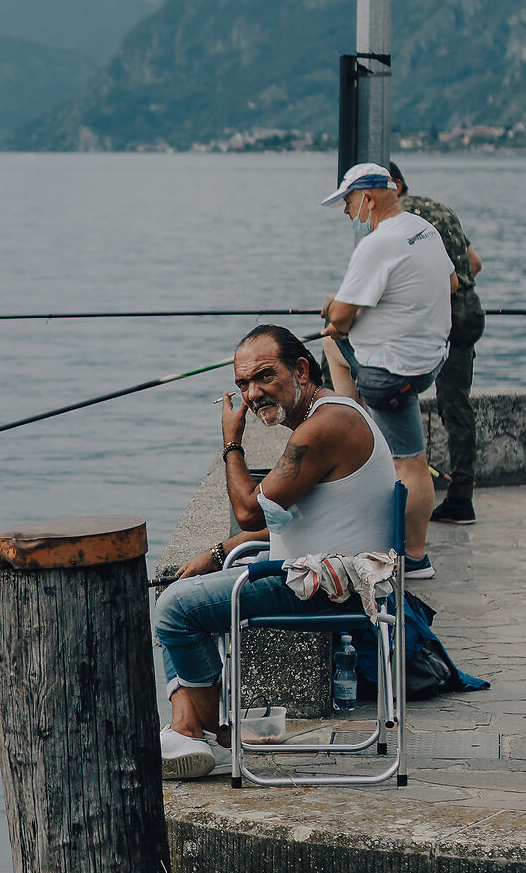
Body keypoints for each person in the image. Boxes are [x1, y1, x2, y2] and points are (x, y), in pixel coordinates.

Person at [156, 324, 399, 778]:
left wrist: (232, 440)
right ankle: (188, 727)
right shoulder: (328, 417)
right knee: (181, 587)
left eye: (264, 376)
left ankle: (207, 729)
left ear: (301, 369)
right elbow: (290, 522)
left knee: (173, 609)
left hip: (327, 585)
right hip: (313, 570)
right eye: (242, 384)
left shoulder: (325, 426)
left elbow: (250, 511)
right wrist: (217, 550)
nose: (251, 393)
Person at [316, 160, 454, 581]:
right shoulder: (422, 228)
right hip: (430, 357)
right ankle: (358, 426)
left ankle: (414, 558)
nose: (346, 211)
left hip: (391, 371)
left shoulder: (376, 245)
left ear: (369, 198)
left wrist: (333, 305)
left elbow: (340, 319)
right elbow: (448, 284)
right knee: (334, 346)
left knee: (410, 462)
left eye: (348, 201)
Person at [388, 158, 483, 525]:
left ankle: (413, 492)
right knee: (457, 406)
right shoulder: (440, 209)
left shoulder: (403, 220)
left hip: (441, 318)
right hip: (468, 312)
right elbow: (473, 264)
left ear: (393, 186)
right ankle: (461, 495)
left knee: (396, 396)